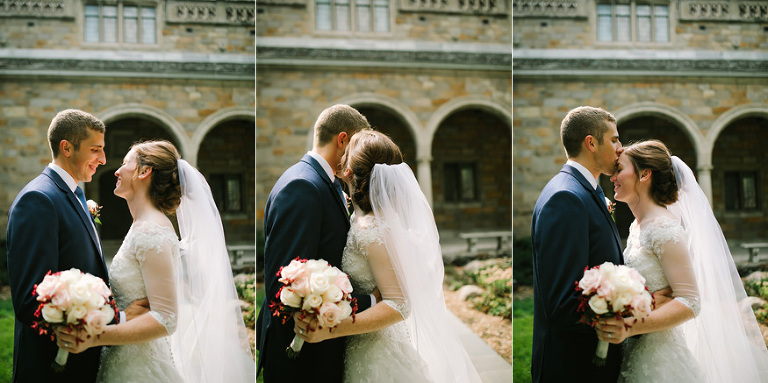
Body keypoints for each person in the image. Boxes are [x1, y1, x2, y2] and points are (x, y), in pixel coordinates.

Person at [55, 140, 255, 382]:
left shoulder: (151, 231)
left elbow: (166, 318)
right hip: (126, 358)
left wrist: (94, 337)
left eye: (125, 163)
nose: (116, 170)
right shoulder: (142, 225)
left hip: (138, 370)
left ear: (144, 171)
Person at [294, 129, 481, 382]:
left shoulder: (370, 228)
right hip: (366, 344)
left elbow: (399, 304)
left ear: (348, 171)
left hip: (376, 353)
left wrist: (331, 330)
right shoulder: (364, 218)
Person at [597, 140, 768, 382]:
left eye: (619, 170)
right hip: (637, 348)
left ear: (644, 174)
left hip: (660, 359)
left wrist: (629, 326)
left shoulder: (664, 228)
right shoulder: (638, 226)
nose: (613, 177)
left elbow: (691, 302)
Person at [6, 109, 147, 382]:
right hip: (52, 367)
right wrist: (112, 321)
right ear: (67, 147)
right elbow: (30, 300)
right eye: (95, 150)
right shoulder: (38, 199)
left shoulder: (77, 195)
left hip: (84, 361)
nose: (103, 159)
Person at [256, 104, 376, 382]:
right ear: (342, 140)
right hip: (301, 358)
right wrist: (370, 301)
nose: (359, 156)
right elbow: (285, 286)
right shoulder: (303, 186)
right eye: (356, 145)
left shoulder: (322, 182)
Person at [530, 106, 624, 382]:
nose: (620, 147)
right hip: (574, 366)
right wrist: (623, 318)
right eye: (614, 139)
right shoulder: (566, 198)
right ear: (591, 143)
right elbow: (564, 304)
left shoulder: (586, 191)